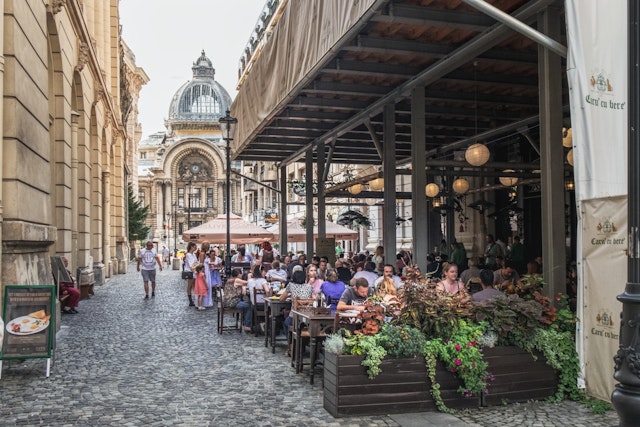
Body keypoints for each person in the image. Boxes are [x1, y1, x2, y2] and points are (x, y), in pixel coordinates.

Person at [184, 242, 198, 306]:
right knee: (189, 286)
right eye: (195, 246)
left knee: (194, 286)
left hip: (194, 271)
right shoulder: (188, 255)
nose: (196, 248)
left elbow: (196, 262)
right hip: (190, 272)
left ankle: (194, 299)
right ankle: (190, 300)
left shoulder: (194, 254)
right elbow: (191, 265)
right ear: (191, 247)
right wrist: (194, 270)